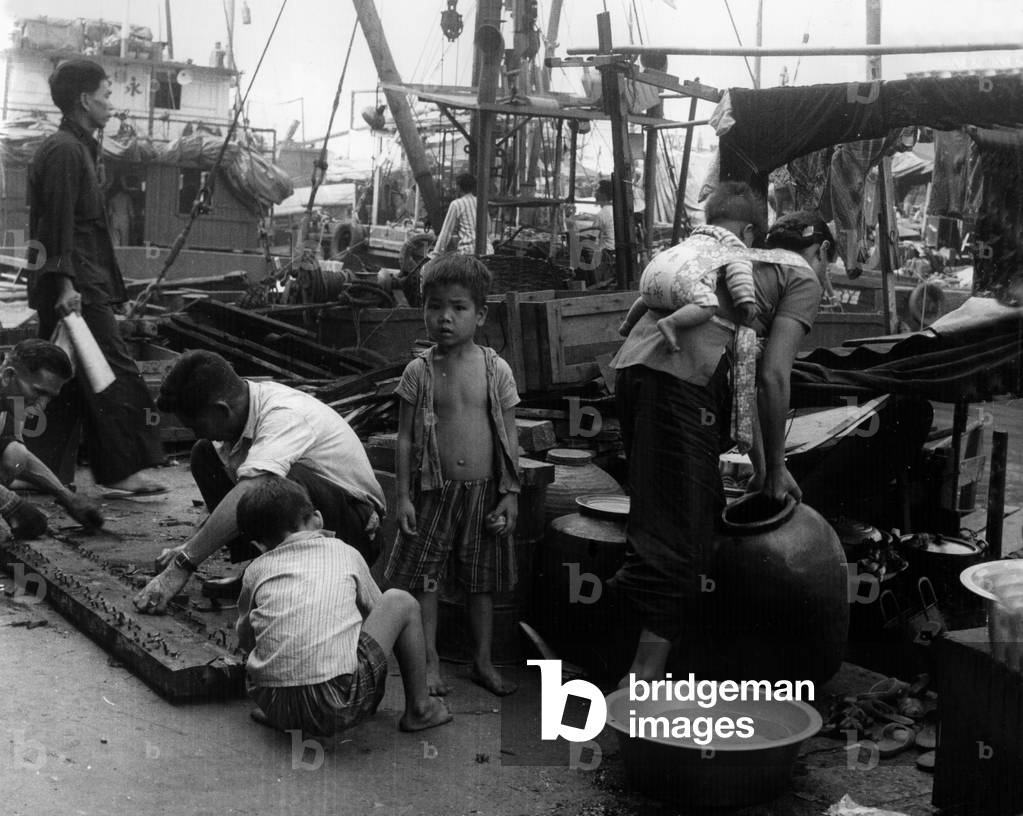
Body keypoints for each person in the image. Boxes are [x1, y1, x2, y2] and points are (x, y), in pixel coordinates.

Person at [610, 199, 831, 684]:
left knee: (682, 513)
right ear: (821, 249)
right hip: (681, 380)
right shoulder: (803, 277)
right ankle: (639, 681)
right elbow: (773, 378)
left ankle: (658, 662)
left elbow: (747, 376)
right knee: (680, 535)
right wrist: (774, 470)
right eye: (826, 258)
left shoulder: (742, 261)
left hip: (636, 370)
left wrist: (764, 464)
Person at [132, 350, 386, 614]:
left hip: (356, 531)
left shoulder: (283, 415)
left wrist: (182, 566)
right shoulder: (244, 408)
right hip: (316, 513)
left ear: (222, 409)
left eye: (197, 425)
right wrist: (190, 544)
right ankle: (261, 570)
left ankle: (299, 583)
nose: (196, 432)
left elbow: (250, 489)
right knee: (204, 453)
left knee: (271, 483)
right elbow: (235, 491)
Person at [26, 58, 165, 494]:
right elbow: (58, 225)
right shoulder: (67, 151)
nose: (111, 103)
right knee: (113, 372)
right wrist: (66, 287)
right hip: (77, 287)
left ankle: (34, 469)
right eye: (106, 95)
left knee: (59, 378)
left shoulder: (77, 148)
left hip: (79, 283)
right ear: (84, 100)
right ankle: (120, 470)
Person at [386, 254, 520, 697]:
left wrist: (511, 493)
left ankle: (482, 661)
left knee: (482, 583)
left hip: (484, 493)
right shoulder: (417, 372)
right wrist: (403, 497)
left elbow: (509, 434)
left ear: (480, 314)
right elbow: (405, 439)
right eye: (435, 306)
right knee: (426, 578)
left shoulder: (494, 368)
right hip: (432, 493)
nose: (445, 318)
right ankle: (430, 660)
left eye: (458, 308)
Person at [235, 477, 452, 736]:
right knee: (399, 601)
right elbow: (377, 609)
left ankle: (292, 714)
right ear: (317, 518)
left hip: (273, 704)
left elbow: (246, 638)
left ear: (259, 546)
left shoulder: (255, 570)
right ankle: (421, 708)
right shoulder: (345, 552)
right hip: (338, 704)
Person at [618, 182, 760, 352]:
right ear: (748, 231)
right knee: (707, 303)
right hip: (683, 283)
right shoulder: (733, 245)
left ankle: (627, 324)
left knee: (648, 298)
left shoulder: (697, 235)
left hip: (652, 274)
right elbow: (739, 273)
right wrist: (746, 300)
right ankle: (671, 322)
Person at [0, 340, 104, 536]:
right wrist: (10, 504)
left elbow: (18, 455)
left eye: (49, 396)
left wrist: (67, 498)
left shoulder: (12, 399)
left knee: (15, 454)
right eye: (38, 392)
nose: (42, 406)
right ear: (9, 376)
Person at [431, 173, 492, 257]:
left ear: (459, 187)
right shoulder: (481, 202)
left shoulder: (456, 204)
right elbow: (488, 229)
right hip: (488, 251)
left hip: (468, 253)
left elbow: (446, 232)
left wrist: (435, 255)